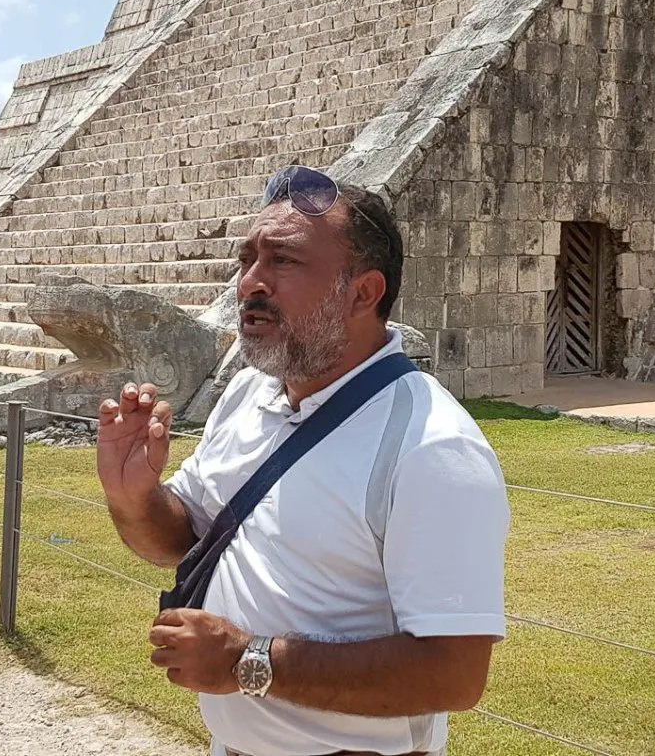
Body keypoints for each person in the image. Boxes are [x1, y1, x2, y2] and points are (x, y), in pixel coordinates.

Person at [97, 166, 510, 756]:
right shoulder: (247, 395)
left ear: (363, 293)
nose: (250, 284)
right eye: (247, 261)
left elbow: (454, 674)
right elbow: (178, 540)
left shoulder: (431, 448)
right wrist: (134, 494)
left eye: (283, 262)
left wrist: (247, 661)